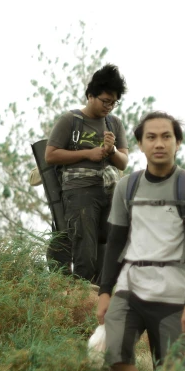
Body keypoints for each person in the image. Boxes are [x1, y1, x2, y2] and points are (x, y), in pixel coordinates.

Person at [96, 111, 185, 371]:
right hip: (130, 288)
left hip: (175, 293)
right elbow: (115, 243)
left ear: (177, 142)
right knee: (113, 355)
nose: (159, 143)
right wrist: (104, 290)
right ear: (140, 144)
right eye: (151, 137)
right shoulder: (127, 186)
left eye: (166, 137)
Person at [44, 64, 129, 285]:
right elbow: (50, 155)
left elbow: (124, 161)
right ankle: (82, 298)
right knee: (85, 250)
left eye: (114, 102)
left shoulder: (114, 124)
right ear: (91, 95)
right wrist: (88, 154)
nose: (109, 106)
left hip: (110, 191)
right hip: (79, 191)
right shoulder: (70, 120)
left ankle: (105, 295)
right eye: (105, 101)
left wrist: (111, 151)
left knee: (114, 248)